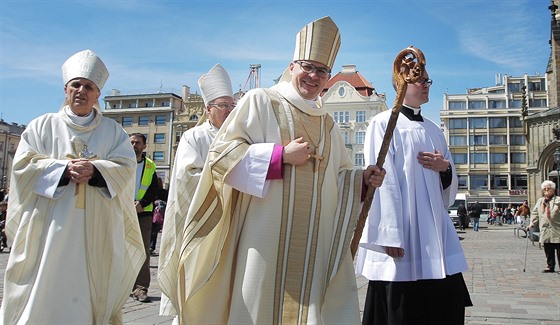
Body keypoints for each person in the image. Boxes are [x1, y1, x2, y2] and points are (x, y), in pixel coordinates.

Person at [162, 17, 386, 324]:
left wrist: (361, 180)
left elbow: (339, 176)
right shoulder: (260, 101)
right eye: (307, 66)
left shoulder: (328, 123)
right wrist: (278, 157)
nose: (313, 76)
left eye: (322, 71)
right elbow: (221, 157)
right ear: (292, 66)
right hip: (262, 238)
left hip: (312, 245)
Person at [0, 49, 144, 324]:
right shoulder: (42, 126)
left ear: (97, 93)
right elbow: (22, 167)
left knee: (90, 289)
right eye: (75, 85)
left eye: (88, 86)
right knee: (44, 285)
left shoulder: (114, 133)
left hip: (97, 227)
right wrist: (62, 169)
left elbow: (126, 169)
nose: (81, 90)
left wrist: (97, 169)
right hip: (48, 226)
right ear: (65, 90)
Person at [355, 53, 472, 325]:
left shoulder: (434, 129)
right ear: (400, 84)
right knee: (401, 306)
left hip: (435, 231)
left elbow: (447, 190)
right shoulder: (383, 123)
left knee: (444, 301)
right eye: (420, 81)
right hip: (403, 234)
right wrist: (390, 234)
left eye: (428, 80)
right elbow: (383, 180)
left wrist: (445, 169)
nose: (426, 85)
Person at [158, 63, 235, 319]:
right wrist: (230, 175)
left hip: (231, 223)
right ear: (208, 109)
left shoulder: (238, 138)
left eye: (232, 106)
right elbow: (187, 177)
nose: (228, 111)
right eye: (222, 105)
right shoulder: (194, 137)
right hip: (201, 221)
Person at [130, 133, 160, 303]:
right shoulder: (121, 162)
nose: (134, 145)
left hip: (143, 214)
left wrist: (142, 202)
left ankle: (140, 287)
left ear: (144, 146)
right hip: (121, 211)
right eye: (132, 142)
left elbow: (154, 189)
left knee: (143, 252)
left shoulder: (150, 166)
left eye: (138, 143)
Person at [527, 180, 560, 273]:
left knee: (559, 249)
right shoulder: (540, 201)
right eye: (544, 189)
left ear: (553, 190)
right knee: (548, 248)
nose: (546, 190)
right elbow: (535, 213)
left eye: (548, 188)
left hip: (557, 229)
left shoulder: (558, 200)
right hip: (545, 229)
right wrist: (532, 223)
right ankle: (550, 266)